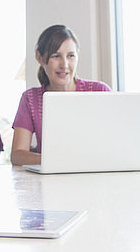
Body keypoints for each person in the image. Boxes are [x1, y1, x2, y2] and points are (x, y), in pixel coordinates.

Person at [10, 24, 111, 166]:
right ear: (39, 57)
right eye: (56, 56)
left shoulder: (100, 91)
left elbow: (112, 145)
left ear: (77, 56)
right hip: (50, 180)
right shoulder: (30, 99)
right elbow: (17, 155)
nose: (64, 64)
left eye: (70, 56)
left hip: (95, 176)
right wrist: (58, 160)